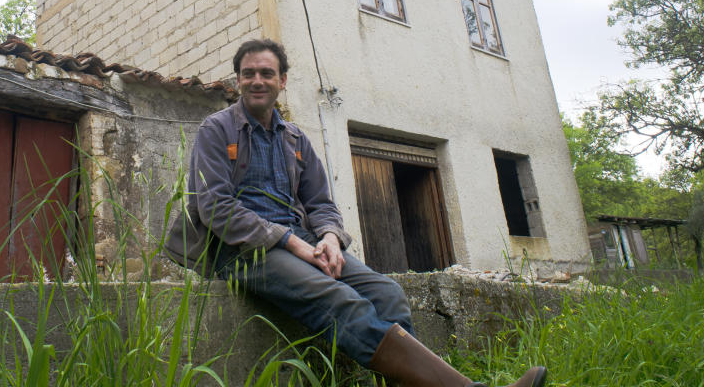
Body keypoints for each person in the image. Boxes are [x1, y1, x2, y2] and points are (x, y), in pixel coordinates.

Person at [165, 38, 547, 387]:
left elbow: (320, 204)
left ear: (283, 81)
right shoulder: (216, 130)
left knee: (388, 294)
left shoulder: (295, 139)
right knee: (338, 299)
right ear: (237, 81)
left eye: (267, 73)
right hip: (242, 250)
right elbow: (214, 206)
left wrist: (330, 239)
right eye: (248, 74)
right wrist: (293, 243)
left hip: (303, 242)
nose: (257, 81)